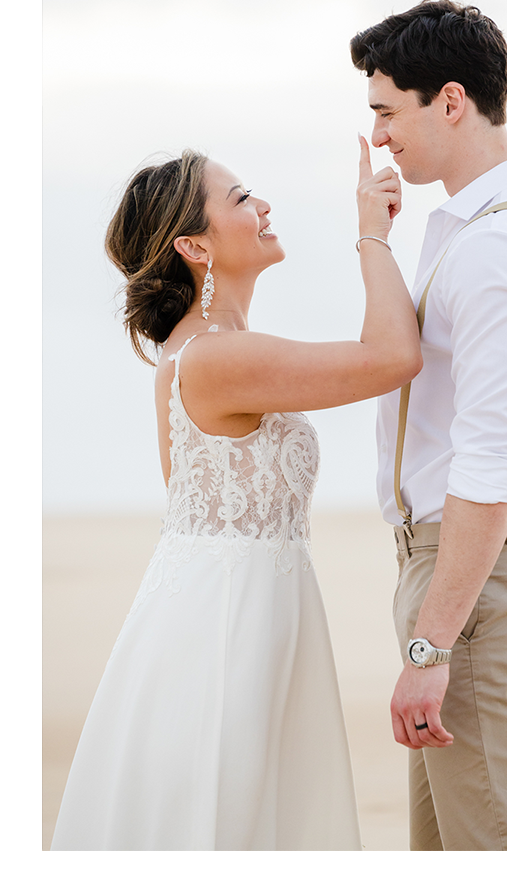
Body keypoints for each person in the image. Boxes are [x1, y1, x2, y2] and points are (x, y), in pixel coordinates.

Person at [50, 143, 421, 852]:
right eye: (242, 198)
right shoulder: (218, 358)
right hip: (227, 619)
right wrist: (371, 232)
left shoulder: (202, 349)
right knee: (228, 809)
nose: (263, 206)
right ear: (193, 244)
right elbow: (392, 359)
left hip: (234, 598)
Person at [350, 0, 507, 851]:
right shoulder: (482, 232)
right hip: (471, 570)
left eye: (386, 109)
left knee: (500, 852)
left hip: (478, 575)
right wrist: (374, 242)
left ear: (448, 100)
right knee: (450, 855)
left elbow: (489, 461)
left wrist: (428, 651)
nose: (378, 135)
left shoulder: (495, 248)